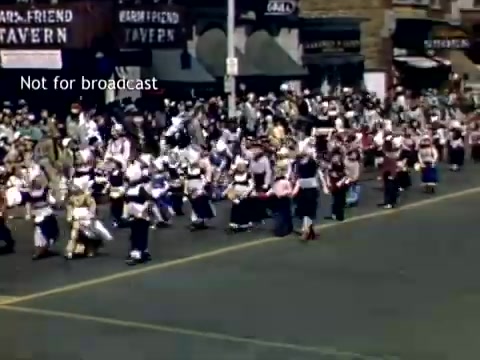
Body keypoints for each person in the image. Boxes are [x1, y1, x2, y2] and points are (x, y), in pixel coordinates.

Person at [293, 148, 328, 241]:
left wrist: (324, 185)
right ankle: (310, 230)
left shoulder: (312, 162)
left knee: (308, 210)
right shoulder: (298, 162)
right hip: (302, 187)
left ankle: (306, 231)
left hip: (311, 187)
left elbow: (319, 173)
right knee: (304, 210)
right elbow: (297, 175)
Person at [65, 182, 108, 259]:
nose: (74, 189)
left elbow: (92, 206)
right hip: (76, 218)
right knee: (74, 234)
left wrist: (90, 215)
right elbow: (69, 207)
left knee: (88, 235)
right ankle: (70, 250)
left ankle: (90, 248)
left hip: (85, 217)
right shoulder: (71, 197)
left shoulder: (86, 196)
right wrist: (69, 216)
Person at [25, 174, 59, 260]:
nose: (38, 182)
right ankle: (39, 250)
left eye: (39, 181)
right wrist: (28, 213)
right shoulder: (30, 193)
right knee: (39, 231)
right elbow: (28, 204)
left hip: (46, 211)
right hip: (38, 213)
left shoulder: (45, 191)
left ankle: (45, 248)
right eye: (36, 181)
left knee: (50, 230)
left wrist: (53, 201)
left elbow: (50, 199)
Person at [124, 162, 152, 265]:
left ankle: (140, 253)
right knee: (134, 234)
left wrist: (144, 212)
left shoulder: (141, 188)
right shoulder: (129, 189)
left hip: (142, 215)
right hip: (133, 214)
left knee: (141, 234)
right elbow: (127, 202)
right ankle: (138, 251)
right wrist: (126, 214)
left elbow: (149, 200)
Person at [184, 160, 215, 231]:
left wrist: (203, 186)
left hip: (199, 187)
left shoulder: (200, 170)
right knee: (194, 204)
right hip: (191, 188)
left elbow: (205, 178)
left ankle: (201, 221)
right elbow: (185, 180)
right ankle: (198, 221)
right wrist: (185, 190)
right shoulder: (187, 169)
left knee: (201, 203)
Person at [224, 160, 254, 232]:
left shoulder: (247, 174)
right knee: (236, 208)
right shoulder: (235, 174)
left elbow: (251, 185)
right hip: (236, 193)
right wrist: (226, 191)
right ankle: (235, 224)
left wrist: (246, 193)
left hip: (244, 194)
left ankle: (244, 224)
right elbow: (232, 183)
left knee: (244, 208)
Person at [268, 162, 293, 237]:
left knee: (285, 214)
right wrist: (269, 193)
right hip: (276, 199)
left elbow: (290, 191)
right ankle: (280, 229)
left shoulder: (286, 181)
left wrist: (283, 193)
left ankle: (287, 229)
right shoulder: (274, 181)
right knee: (278, 214)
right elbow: (273, 188)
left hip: (284, 199)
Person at [0, 182, 15, 254]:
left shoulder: (1, 190)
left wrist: (3, 209)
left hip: (0, 210)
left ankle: (10, 242)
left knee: (1, 226)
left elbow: (4, 200)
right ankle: (9, 241)